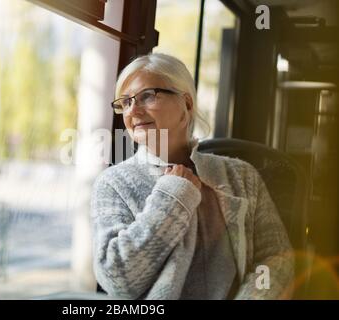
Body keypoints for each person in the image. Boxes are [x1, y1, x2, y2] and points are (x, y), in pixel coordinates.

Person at [90, 53, 294, 299]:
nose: (133, 110)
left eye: (147, 96)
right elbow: (119, 280)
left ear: (186, 104)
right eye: (125, 102)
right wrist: (173, 195)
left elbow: (276, 258)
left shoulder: (243, 176)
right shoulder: (113, 183)